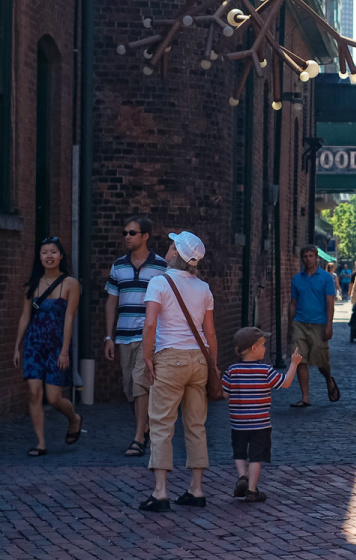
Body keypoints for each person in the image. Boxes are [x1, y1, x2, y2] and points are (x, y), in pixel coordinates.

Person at [139, 231, 217, 513]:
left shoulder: (159, 282)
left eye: (172, 245)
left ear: (177, 254)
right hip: (199, 359)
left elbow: (150, 325)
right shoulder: (204, 288)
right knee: (196, 425)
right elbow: (209, 332)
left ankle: (160, 491)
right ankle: (196, 489)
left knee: (161, 424)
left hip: (170, 357)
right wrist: (213, 364)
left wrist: (148, 357)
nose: (168, 248)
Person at [12, 236, 83, 457]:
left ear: (61, 256)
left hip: (56, 346)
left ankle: (74, 418)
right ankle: (40, 442)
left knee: (53, 398)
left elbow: (69, 319)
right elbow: (25, 317)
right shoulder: (32, 284)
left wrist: (64, 350)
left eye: (53, 252)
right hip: (34, 344)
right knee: (34, 393)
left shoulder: (71, 283)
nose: (49, 256)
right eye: (44, 252)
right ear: (40, 257)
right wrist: (17, 346)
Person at [104, 215, 168, 457]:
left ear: (145, 236)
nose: (127, 237)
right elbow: (111, 302)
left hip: (148, 334)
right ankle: (147, 426)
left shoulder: (161, 266)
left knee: (141, 383)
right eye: (125, 233)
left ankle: (138, 437)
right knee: (129, 386)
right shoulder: (118, 265)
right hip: (123, 335)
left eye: (132, 233)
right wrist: (108, 337)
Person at [221, 327, 302, 502]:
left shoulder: (232, 370)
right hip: (260, 423)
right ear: (253, 348)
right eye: (263, 345)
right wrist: (294, 364)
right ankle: (251, 489)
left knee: (240, 452)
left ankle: (242, 476)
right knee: (256, 456)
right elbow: (285, 383)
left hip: (238, 423)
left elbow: (224, 393)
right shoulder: (265, 370)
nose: (265, 349)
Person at [288, 245, 339, 408]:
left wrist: (329, 325)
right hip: (300, 322)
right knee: (300, 360)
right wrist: (290, 324)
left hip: (319, 323)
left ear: (316, 258)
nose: (308, 259)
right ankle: (305, 397)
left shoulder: (325, 278)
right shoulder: (296, 279)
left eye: (311, 256)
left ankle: (328, 379)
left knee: (321, 359)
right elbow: (293, 303)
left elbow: (330, 302)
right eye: (305, 256)